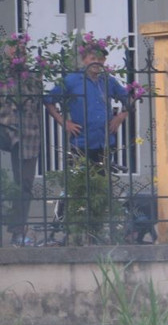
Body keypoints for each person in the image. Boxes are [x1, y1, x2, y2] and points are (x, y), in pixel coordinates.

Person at [43, 35, 129, 165]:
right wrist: (64, 122)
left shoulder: (108, 81)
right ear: (84, 60)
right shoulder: (71, 80)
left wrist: (121, 116)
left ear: (104, 60)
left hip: (105, 141)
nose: (97, 62)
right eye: (92, 58)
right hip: (81, 142)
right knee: (81, 177)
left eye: (100, 59)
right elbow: (48, 100)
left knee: (104, 176)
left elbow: (129, 98)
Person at [0, 32, 44, 246]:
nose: (19, 54)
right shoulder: (2, 75)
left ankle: (18, 230)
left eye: (23, 51)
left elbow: (37, 106)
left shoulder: (32, 78)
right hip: (5, 128)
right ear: (7, 53)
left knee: (24, 184)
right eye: (15, 50)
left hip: (28, 134)